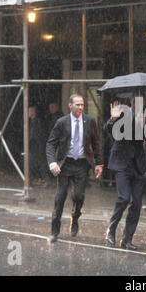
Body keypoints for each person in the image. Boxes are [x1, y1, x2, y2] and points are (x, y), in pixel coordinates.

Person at [46, 94, 103, 243]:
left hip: (81, 165)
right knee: (60, 198)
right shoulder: (61, 122)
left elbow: (96, 144)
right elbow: (51, 144)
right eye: (77, 104)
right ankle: (54, 231)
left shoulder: (90, 121)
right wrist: (53, 163)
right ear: (70, 106)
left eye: (82, 105)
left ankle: (75, 217)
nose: (80, 107)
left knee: (79, 196)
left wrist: (99, 163)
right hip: (65, 164)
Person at [104, 92, 146, 251]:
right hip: (122, 163)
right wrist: (113, 119)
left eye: (142, 102)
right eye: (136, 102)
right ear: (131, 102)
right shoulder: (122, 113)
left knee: (137, 203)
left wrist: (145, 128)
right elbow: (107, 129)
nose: (139, 104)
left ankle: (127, 239)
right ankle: (111, 229)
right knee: (124, 197)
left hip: (138, 166)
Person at [29, 106, 49, 187]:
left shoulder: (38, 121)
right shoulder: (32, 121)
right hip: (34, 146)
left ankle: (44, 179)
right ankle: (37, 178)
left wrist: (36, 141)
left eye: (29, 111)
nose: (28, 114)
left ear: (33, 112)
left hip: (38, 145)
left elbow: (39, 133)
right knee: (34, 163)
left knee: (41, 162)